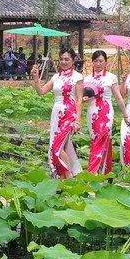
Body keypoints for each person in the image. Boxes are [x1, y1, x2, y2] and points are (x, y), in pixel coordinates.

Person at [32, 47, 83, 179]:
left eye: (67, 59)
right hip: (56, 114)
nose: (64, 62)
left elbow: (79, 100)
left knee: (57, 148)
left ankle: (69, 177)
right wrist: (36, 77)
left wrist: (77, 120)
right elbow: (41, 91)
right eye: (61, 59)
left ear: (73, 60)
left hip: (69, 114)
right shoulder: (56, 77)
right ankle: (62, 179)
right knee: (61, 147)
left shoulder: (77, 77)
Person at [84, 50, 124, 174]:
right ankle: (107, 172)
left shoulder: (111, 77)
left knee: (103, 137)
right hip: (92, 111)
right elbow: (83, 97)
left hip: (106, 111)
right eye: (95, 61)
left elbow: (118, 97)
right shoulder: (87, 78)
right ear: (92, 62)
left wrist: (125, 114)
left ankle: (92, 171)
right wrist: (85, 99)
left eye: (101, 61)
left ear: (105, 62)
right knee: (94, 138)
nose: (98, 64)